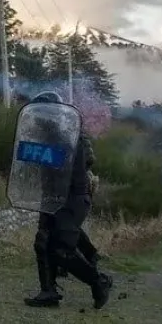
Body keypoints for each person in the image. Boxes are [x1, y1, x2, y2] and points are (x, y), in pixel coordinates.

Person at [24, 91, 113, 309]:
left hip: (71, 199)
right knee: (43, 242)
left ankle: (98, 281)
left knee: (62, 250)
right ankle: (48, 292)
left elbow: (78, 162)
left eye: (41, 115)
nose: (37, 120)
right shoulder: (48, 136)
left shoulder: (70, 135)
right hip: (51, 197)